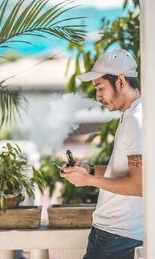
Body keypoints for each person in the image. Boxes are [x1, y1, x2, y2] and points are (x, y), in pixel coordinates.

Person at [60, 49, 143, 259]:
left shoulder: (136, 120)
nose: (97, 97)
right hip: (110, 234)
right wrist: (89, 169)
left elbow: (138, 185)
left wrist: (88, 180)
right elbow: (123, 171)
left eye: (100, 88)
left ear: (121, 82)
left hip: (119, 238)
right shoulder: (129, 116)